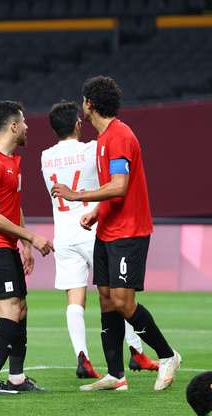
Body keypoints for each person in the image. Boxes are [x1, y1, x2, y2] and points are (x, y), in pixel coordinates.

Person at [51, 76, 181, 392]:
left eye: (84, 100)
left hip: (129, 232)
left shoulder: (119, 137)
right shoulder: (105, 138)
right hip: (108, 230)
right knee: (107, 300)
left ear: (90, 104)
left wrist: (77, 195)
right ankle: (115, 375)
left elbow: (120, 187)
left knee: (123, 301)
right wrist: (96, 212)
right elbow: (115, 189)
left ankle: (167, 355)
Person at [41, 100, 158, 379]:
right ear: (77, 124)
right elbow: (113, 177)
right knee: (118, 294)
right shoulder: (92, 148)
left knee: (74, 298)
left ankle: (82, 357)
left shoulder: (45, 156)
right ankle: (136, 351)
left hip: (63, 233)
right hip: (92, 227)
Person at [0, 100, 53, 395]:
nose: (28, 127)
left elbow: (12, 206)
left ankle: (16, 377)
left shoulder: (12, 161)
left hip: (6, 245)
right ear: (14, 126)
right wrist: (32, 237)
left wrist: (24, 244)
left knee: (21, 308)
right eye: (25, 121)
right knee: (9, 310)